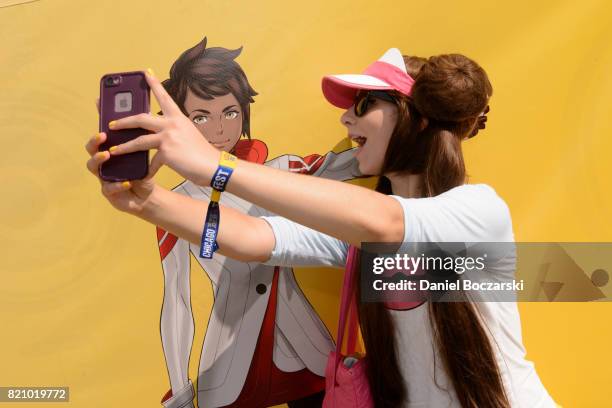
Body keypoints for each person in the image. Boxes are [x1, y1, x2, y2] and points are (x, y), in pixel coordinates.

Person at [85, 48, 559, 407]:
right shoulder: (359, 232)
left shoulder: (477, 209)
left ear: (415, 117)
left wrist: (213, 164)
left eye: (365, 103)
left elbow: (386, 221)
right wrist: (145, 200)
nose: (345, 117)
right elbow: (253, 238)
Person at [132, 37, 361, 408]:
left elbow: (349, 165)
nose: (220, 129)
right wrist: (179, 388)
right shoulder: (176, 203)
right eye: (201, 117)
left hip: (304, 350)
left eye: (230, 112)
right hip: (228, 363)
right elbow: (177, 300)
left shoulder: (281, 171)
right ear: (180, 123)